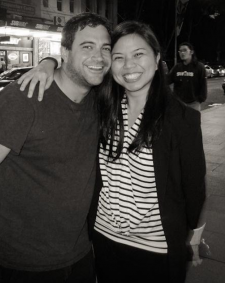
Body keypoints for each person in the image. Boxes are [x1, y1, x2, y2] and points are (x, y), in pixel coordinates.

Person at [16, 21, 207, 282]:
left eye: (139, 54)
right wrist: (47, 62)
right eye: (118, 57)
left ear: (157, 57)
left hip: (156, 247)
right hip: (104, 239)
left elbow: (194, 187)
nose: (129, 66)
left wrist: (195, 235)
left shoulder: (182, 119)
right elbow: (73, 71)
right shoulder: (102, 107)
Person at [0, 12, 112, 283]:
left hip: (79, 255)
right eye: (87, 46)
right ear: (65, 52)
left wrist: (47, 62)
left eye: (105, 48)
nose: (99, 56)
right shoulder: (25, 97)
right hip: (23, 265)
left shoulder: (99, 101)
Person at [167, 42, 207, 111]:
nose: (182, 53)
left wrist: (200, 99)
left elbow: (203, 84)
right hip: (178, 104)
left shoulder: (199, 67)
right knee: (178, 122)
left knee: (192, 121)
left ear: (191, 52)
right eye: (180, 51)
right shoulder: (177, 67)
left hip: (193, 104)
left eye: (185, 50)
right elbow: (167, 80)